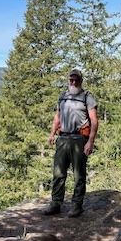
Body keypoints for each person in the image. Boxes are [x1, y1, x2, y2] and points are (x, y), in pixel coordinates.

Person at [43, 68, 98, 218]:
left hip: (79, 139)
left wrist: (90, 142)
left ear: (81, 81)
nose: (74, 82)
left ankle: (77, 205)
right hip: (63, 139)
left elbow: (94, 121)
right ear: (68, 80)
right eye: (71, 80)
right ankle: (56, 203)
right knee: (58, 173)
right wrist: (52, 134)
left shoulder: (87, 97)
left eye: (76, 80)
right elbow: (58, 116)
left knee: (79, 174)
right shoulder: (63, 96)